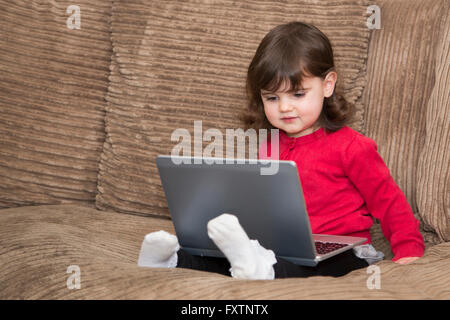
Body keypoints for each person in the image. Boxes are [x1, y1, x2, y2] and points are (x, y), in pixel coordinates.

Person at [138, 21, 425, 280]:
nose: (284, 107)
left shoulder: (353, 147)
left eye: (298, 94)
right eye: (272, 97)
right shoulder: (270, 145)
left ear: (327, 85)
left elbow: (389, 203)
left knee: (306, 267)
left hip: (341, 252)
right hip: (281, 245)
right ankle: (173, 260)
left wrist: (408, 249)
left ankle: (259, 268)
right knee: (222, 257)